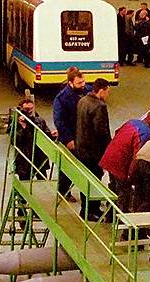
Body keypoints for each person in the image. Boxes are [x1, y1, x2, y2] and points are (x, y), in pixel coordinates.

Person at [99, 109, 150, 212]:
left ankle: (109, 213)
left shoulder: (132, 121)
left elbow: (117, 132)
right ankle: (119, 217)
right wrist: (131, 174)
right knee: (124, 193)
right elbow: (138, 155)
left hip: (110, 155)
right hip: (121, 163)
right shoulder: (146, 133)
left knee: (113, 187)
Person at [75, 78, 113, 220]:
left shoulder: (83, 101)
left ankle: (85, 208)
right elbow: (101, 131)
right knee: (95, 180)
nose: (108, 95)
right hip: (94, 151)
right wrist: (109, 148)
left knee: (85, 180)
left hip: (81, 148)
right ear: (101, 90)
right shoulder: (99, 107)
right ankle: (92, 210)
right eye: (107, 91)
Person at [53, 67, 92, 201]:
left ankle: (85, 194)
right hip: (71, 136)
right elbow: (59, 120)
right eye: (79, 83)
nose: (83, 85)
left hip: (85, 136)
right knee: (68, 167)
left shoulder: (88, 91)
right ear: (70, 83)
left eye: (83, 82)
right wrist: (68, 139)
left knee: (87, 165)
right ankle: (63, 192)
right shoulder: (62, 98)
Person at [14, 97, 55, 181]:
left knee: (43, 181)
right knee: (25, 182)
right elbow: (15, 140)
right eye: (26, 109)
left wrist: (53, 135)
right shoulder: (15, 124)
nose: (29, 111)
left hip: (39, 157)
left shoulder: (40, 121)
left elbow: (47, 135)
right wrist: (24, 127)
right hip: (25, 159)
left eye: (31, 109)